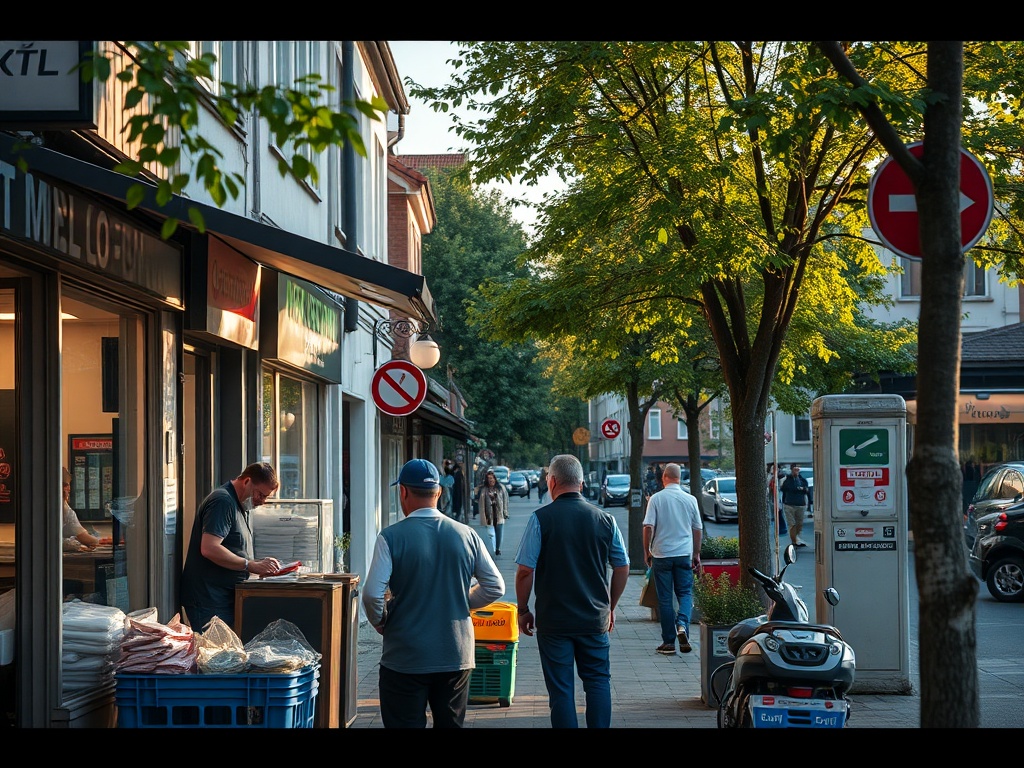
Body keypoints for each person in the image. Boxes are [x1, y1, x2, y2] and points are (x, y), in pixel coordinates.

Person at [362, 458, 504, 728]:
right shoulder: (467, 535)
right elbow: (495, 586)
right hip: (455, 653)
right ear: (438, 493)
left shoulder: (390, 537)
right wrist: (461, 602)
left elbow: (371, 595)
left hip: (404, 656)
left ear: (403, 492)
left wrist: (380, 620)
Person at [513, 454, 630, 728]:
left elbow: (524, 571)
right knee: (598, 681)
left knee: (561, 689)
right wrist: (610, 607)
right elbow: (622, 566)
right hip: (594, 619)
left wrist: (523, 609)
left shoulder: (540, 519)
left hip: (554, 621)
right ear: (581, 483)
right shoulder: (605, 520)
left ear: (552, 481)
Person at [180, 461, 283, 631]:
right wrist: (249, 565)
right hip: (210, 600)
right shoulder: (223, 501)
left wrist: (258, 564)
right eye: (260, 494)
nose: (262, 501)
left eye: (266, 497)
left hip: (223, 599)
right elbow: (209, 548)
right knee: (214, 654)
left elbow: (234, 549)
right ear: (247, 481)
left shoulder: (241, 505)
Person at [642, 462, 703, 655]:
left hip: (662, 554)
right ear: (679, 477)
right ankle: (683, 625)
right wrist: (696, 553)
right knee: (685, 593)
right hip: (684, 554)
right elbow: (697, 529)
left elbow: (648, 527)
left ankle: (668, 643)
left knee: (665, 599)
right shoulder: (690, 499)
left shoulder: (656, 499)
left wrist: (647, 550)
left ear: (663, 477)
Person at [61, 467, 99, 551]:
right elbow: (86, 539)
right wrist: (99, 541)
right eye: (68, 485)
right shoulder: (65, 510)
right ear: (65, 487)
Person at [477, 469, 509, 556]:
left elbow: (505, 499)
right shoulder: (484, 490)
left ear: (495, 479)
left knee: (499, 534)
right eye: (489, 478)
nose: (491, 480)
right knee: (491, 534)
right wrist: (483, 516)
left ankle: (498, 548)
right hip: (489, 515)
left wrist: (505, 511)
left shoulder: (500, 488)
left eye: (492, 478)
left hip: (499, 515)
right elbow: (481, 503)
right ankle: (493, 549)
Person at [780, 463, 811, 549]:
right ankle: (794, 541)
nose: (796, 471)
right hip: (789, 504)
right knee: (792, 524)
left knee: (799, 524)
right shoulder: (787, 480)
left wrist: (802, 490)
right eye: (794, 469)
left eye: (797, 469)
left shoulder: (803, 480)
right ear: (791, 470)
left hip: (800, 504)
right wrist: (798, 489)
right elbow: (785, 488)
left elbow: (806, 490)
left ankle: (797, 537)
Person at [766, 463, 787, 536]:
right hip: (772, 497)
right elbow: (767, 484)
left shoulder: (782, 476)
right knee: (775, 513)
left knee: (779, 513)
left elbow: (781, 486)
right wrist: (771, 475)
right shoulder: (771, 476)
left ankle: (782, 528)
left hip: (779, 497)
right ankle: (779, 528)